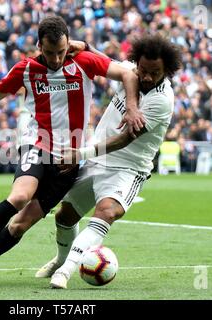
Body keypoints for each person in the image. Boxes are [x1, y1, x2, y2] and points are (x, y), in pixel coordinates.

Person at [0, 16, 144, 285]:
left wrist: (133, 108)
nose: (55, 59)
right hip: (37, 144)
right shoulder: (26, 69)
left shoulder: (85, 62)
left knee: (20, 224)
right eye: (49, 52)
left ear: (69, 43)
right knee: (20, 196)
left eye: (61, 52)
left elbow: (127, 72)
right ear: (39, 46)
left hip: (69, 159)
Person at [32, 34, 182, 289]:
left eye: (154, 73)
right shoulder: (131, 72)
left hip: (128, 168)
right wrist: (88, 47)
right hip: (97, 159)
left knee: (106, 212)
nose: (146, 77)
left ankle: (65, 272)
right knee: (64, 217)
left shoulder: (162, 101)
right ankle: (60, 260)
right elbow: (105, 61)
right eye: (142, 70)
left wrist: (80, 154)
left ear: (167, 70)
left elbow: (124, 139)